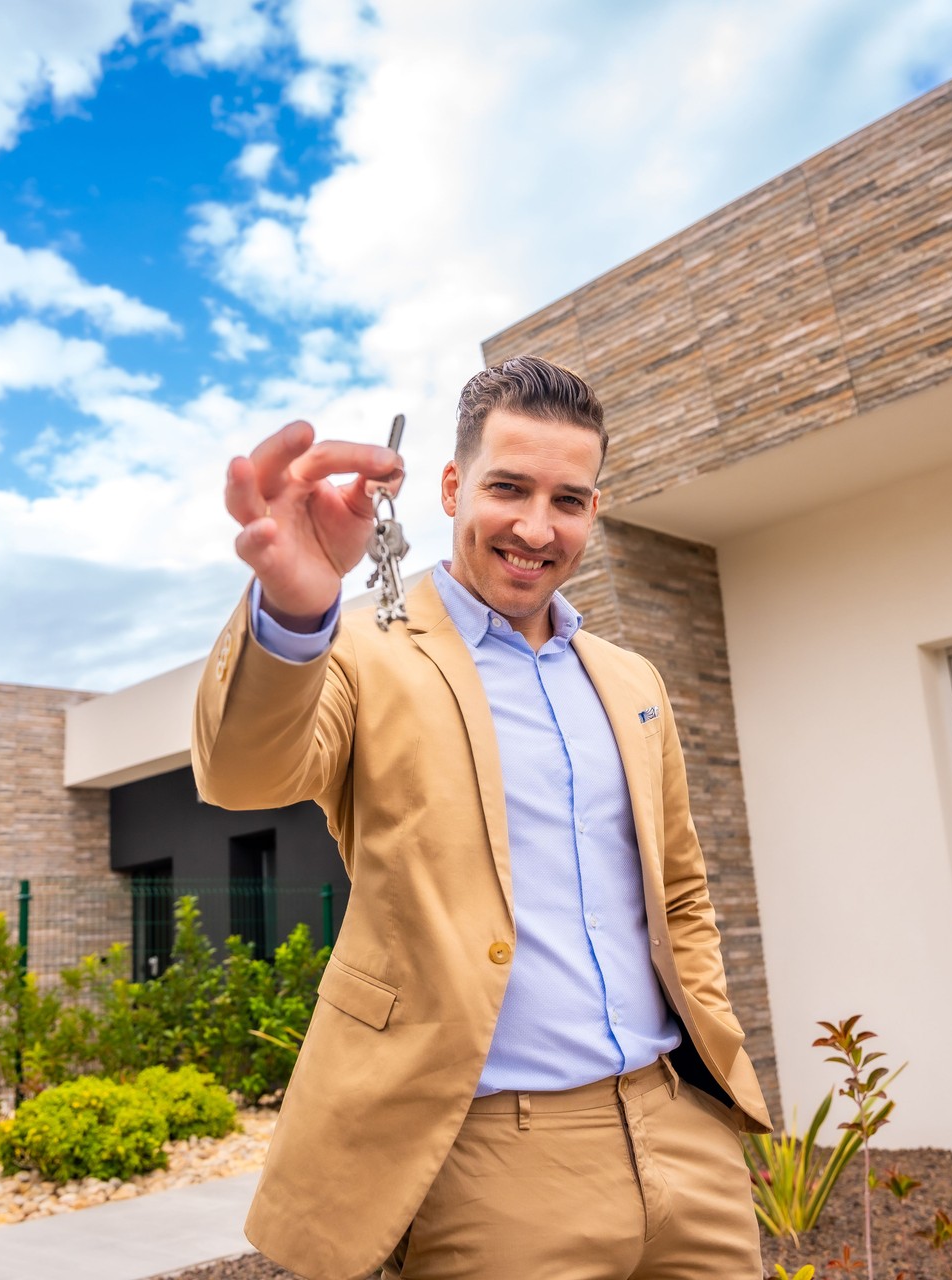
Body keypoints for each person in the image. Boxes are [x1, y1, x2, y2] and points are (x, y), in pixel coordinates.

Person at [193, 354, 772, 1280]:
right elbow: (242, 772)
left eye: (570, 499)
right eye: (509, 487)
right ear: (455, 487)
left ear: (595, 508)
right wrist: (298, 615)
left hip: (683, 1138)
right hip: (495, 1158)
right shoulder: (364, 652)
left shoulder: (631, 681)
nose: (537, 528)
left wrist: (714, 1074)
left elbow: (680, 891)